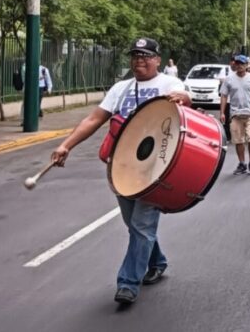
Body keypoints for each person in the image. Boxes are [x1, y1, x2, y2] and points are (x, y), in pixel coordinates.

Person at [49, 37, 190, 305]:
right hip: (121, 168)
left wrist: (184, 97)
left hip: (155, 169)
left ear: (158, 60)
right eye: (136, 55)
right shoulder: (120, 88)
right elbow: (94, 119)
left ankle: (128, 283)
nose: (140, 59)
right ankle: (157, 261)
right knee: (134, 225)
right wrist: (66, 145)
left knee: (141, 224)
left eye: (146, 55)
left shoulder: (168, 84)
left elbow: (184, 100)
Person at [220, 55, 250, 175]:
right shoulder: (229, 79)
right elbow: (224, 96)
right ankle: (242, 163)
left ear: (246, 65)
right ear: (234, 65)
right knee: (238, 140)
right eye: (237, 63)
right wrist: (222, 112)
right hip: (235, 114)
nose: (239, 65)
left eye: (242, 63)